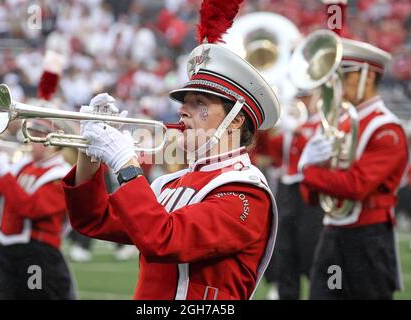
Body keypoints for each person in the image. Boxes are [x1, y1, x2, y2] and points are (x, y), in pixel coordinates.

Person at [62, 31, 282, 299]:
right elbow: (93, 219)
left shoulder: (246, 193)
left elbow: (165, 240)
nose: (182, 110)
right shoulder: (170, 183)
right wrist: (90, 150)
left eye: (198, 102)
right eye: (184, 102)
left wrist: (125, 163)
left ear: (235, 120)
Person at [298, 38, 408, 299]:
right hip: (333, 232)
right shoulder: (341, 123)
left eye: (343, 76)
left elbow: (356, 187)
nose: (334, 84)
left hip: (367, 237)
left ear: (367, 77)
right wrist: (311, 167)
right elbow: (312, 196)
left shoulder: (386, 128)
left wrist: (309, 171)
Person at [0, 122, 76, 300]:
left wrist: (3, 172)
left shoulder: (62, 175)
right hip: (7, 253)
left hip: (38, 256)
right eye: (30, 133)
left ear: (53, 142)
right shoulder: (24, 166)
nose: (29, 139)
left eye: (36, 135)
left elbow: (30, 208)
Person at [268, 91, 323, 299]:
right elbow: (269, 151)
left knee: (310, 246)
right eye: (299, 97)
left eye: (306, 97)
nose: (301, 102)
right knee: (284, 248)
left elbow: (315, 144)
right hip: (286, 188)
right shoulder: (288, 127)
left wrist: (295, 128)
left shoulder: (320, 124)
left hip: (309, 189)